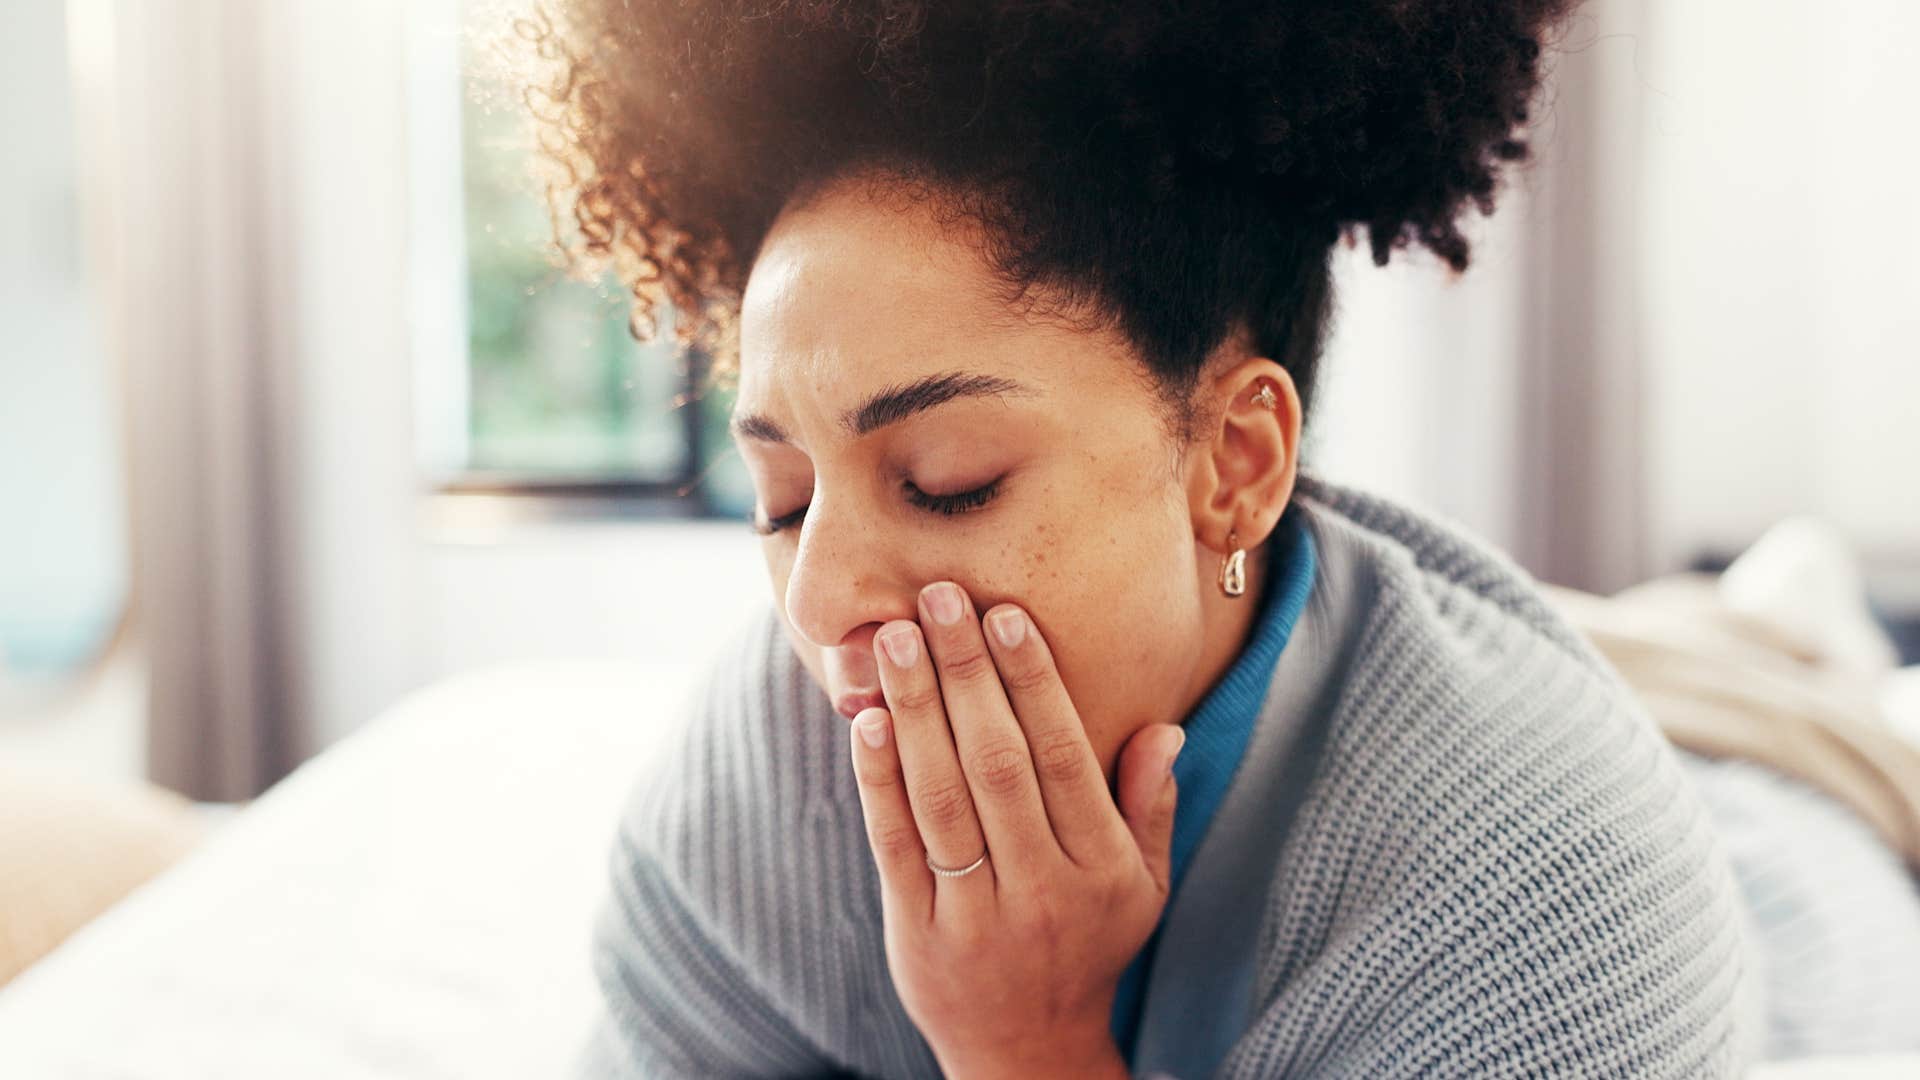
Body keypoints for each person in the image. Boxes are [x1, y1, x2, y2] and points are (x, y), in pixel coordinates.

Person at [516, 1, 1767, 1075]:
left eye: (949, 482)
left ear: (1236, 465)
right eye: (786, 498)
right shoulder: (772, 756)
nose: (822, 598)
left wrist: (1023, 1042)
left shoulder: (1559, 904)